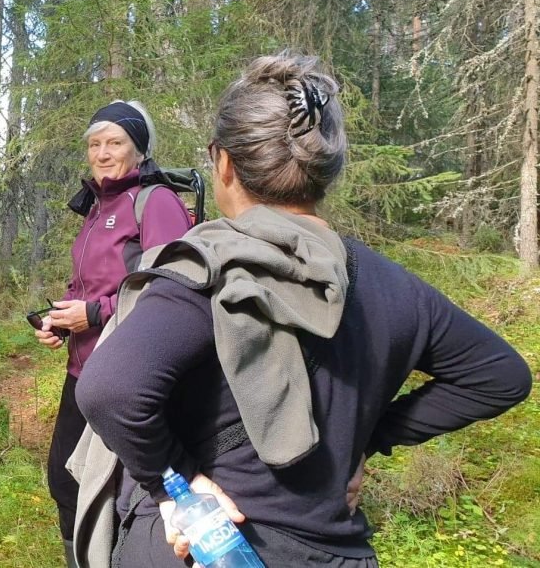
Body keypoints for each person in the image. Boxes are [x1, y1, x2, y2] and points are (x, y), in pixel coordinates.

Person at [73, 51, 532, 567]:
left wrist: (178, 482)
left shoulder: (211, 266)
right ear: (325, 171)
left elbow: (110, 389)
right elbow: (500, 376)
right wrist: (369, 438)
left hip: (210, 546)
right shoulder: (395, 287)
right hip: (336, 552)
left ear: (223, 163)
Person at [36, 100, 193, 567]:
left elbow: (173, 287)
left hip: (130, 372)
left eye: (115, 142)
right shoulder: (96, 207)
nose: (102, 153)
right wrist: (61, 320)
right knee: (66, 480)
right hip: (83, 370)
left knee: (125, 490)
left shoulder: (156, 202)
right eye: (94, 144)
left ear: (139, 149)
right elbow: (85, 285)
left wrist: (95, 314)